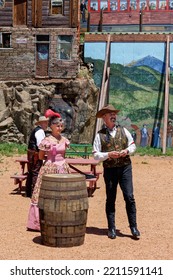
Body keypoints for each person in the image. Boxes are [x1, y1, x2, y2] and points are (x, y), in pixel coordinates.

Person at [93, 104, 140, 239]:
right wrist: (108, 155)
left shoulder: (123, 130)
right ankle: (111, 228)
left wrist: (126, 151)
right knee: (111, 198)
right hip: (110, 170)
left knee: (129, 197)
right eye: (110, 114)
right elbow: (96, 155)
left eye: (114, 113)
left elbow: (132, 145)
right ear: (104, 117)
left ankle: (133, 227)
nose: (113, 116)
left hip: (125, 168)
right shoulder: (99, 135)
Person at [27, 111, 70, 231]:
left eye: (61, 126)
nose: (59, 128)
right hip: (49, 167)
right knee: (44, 193)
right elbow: (41, 156)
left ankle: (62, 219)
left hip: (63, 167)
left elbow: (64, 155)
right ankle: (39, 221)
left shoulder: (64, 140)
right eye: (57, 126)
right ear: (51, 126)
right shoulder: (46, 141)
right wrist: (51, 160)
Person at [25, 116, 49, 198]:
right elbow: (40, 145)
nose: (47, 124)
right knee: (36, 172)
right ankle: (34, 193)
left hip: (32, 153)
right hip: (35, 154)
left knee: (31, 172)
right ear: (41, 123)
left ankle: (28, 192)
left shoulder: (38, 130)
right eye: (45, 122)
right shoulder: (40, 131)